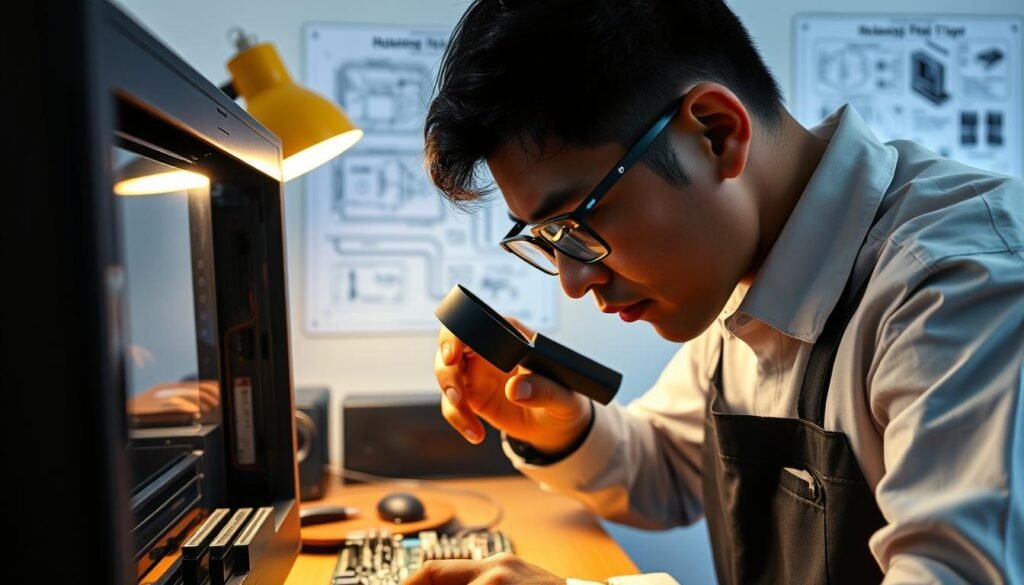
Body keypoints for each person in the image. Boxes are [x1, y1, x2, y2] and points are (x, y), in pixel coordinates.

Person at [412, 1, 1024, 583]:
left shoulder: (958, 285)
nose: (574, 281)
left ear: (715, 133)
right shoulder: (749, 268)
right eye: (547, 238)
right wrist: (557, 423)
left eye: (577, 224)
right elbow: (672, 466)